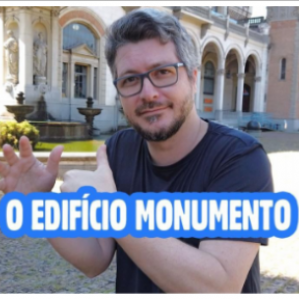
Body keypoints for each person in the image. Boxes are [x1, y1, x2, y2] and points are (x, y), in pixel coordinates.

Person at [0, 8, 272, 293]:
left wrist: (112, 210)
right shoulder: (119, 148)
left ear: (192, 79)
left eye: (163, 72)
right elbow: (96, 258)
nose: (148, 93)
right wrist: (38, 205)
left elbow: (218, 287)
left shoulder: (240, 158)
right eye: (130, 79)